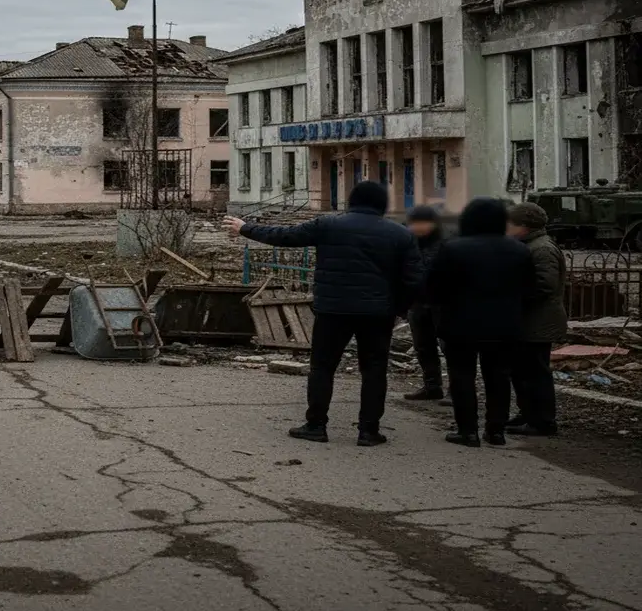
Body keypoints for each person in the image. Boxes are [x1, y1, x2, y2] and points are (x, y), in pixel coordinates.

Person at [224, 181, 423, 447]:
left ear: (352, 200)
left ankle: (316, 425)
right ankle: (369, 431)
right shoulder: (400, 234)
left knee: (322, 367)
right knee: (374, 370)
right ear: (383, 204)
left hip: (332, 310)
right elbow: (414, 279)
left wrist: (246, 228)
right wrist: (398, 309)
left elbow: (285, 236)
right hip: (377, 313)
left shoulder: (328, 225)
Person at [427, 198, 534, 447]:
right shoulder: (519, 249)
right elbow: (529, 289)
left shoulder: (453, 248)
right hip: (504, 324)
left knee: (462, 376)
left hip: (460, 323)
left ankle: (468, 431)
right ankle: (496, 431)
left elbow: (435, 287)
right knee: (499, 377)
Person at [506, 202, 566, 437]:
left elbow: (545, 284)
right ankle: (528, 413)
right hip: (529, 320)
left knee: (535, 372)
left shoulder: (542, 248)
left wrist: (513, 295)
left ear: (524, 226)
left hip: (539, 321)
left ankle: (542, 421)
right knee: (522, 371)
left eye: (510, 224)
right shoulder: (529, 245)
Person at [402, 205, 447, 401]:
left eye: (423, 223)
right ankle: (432, 386)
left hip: (443, 303)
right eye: (414, 223)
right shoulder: (407, 244)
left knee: (449, 347)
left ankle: (457, 390)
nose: (418, 228)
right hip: (417, 302)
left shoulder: (447, 244)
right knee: (423, 346)